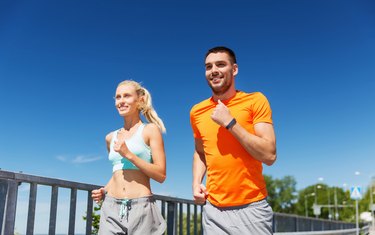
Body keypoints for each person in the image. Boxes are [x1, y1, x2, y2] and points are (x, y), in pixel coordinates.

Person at [190, 46, 277, 234]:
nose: (213, 70)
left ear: (234, 69)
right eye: (208, 66)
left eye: (220, 64)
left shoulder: (255, 101)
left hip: (252, 210)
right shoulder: (197, 111)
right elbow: (200, 151)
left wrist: (230, 122)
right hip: (213, 211)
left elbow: (269, 155)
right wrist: (196, 182)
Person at [92, 80, 167, 235]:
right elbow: (118, 171)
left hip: (142, 209)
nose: (121, 101)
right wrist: (104, 190)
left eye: (126, 96)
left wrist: (130, 155)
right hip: (111, 208)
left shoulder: (150, 130)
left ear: (140, 100)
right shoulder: (110, 137)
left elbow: (160, 175)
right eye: (118, 97)